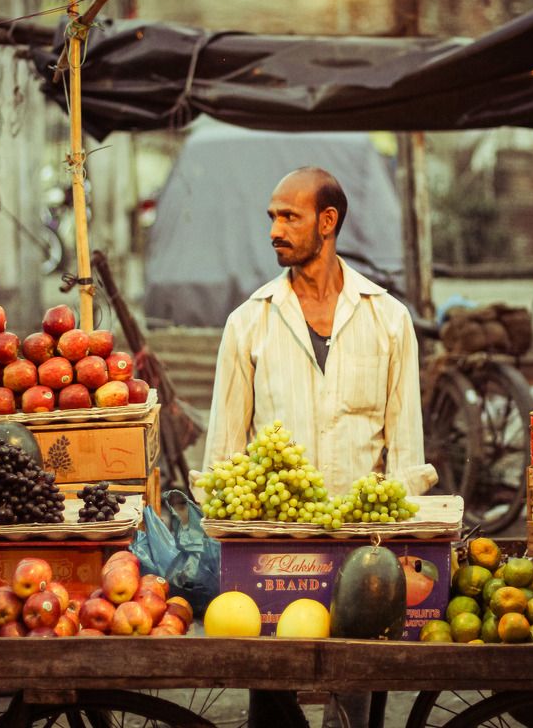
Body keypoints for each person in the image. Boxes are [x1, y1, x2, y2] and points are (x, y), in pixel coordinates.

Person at [197, 166, 436, 728]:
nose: (275, 230)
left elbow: (405, 450)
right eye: (272, 217)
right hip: (274, 550)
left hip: (362, 543)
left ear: (327, 222)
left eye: (289, 217)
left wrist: (398, 541)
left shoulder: (388, 318)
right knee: (271, 691)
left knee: (355, 697)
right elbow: (224, 454)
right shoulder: (249, 322)